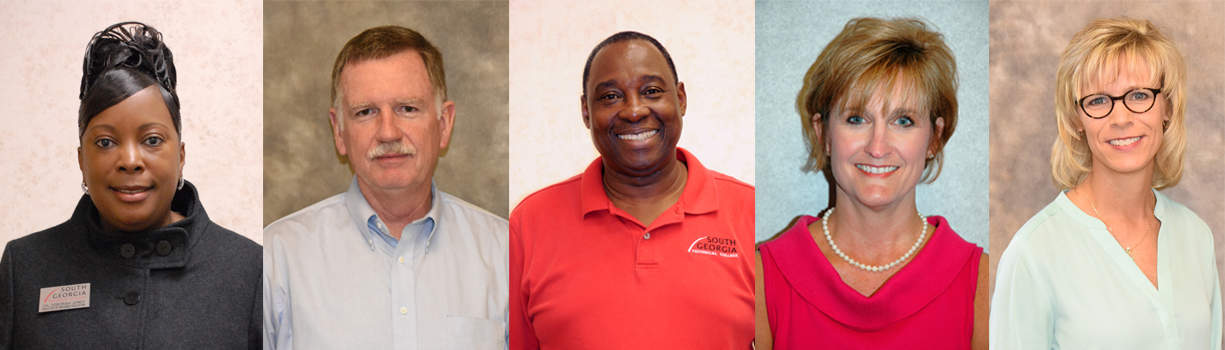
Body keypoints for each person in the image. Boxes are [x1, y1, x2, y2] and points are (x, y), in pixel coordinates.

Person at [0, 22, 261, 349]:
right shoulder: (24, 267)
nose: (130, 160)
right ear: (82, 160)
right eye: (106, 142)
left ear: (181, 156)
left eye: (152, 140)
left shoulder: (250, 271)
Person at [262, 25, 509, 349]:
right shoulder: (276, 258)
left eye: (407, 108)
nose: (388, 132)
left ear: (444, 123)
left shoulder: (505, 253)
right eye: (366, 112)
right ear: (339, 131)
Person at [509, 31, 755, 349]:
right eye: (611, 97)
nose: (634, 110)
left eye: (651, 91)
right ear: (586, 112)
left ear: (680, 98)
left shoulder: (747, 211)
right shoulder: (530, 223)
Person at [754, 17, 988, 350]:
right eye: (856, 119)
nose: (877, 147)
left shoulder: (983, 282)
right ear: (824, 134)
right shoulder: (763, 277)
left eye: (903, 121)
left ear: (934, 138)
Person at [991, 18, 1221, 350]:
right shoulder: (1034, 253)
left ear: (1168, 107)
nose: (1121, 118)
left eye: (1140, 95)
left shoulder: (1196, 236)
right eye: (1099, 100)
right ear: (1075, 119)